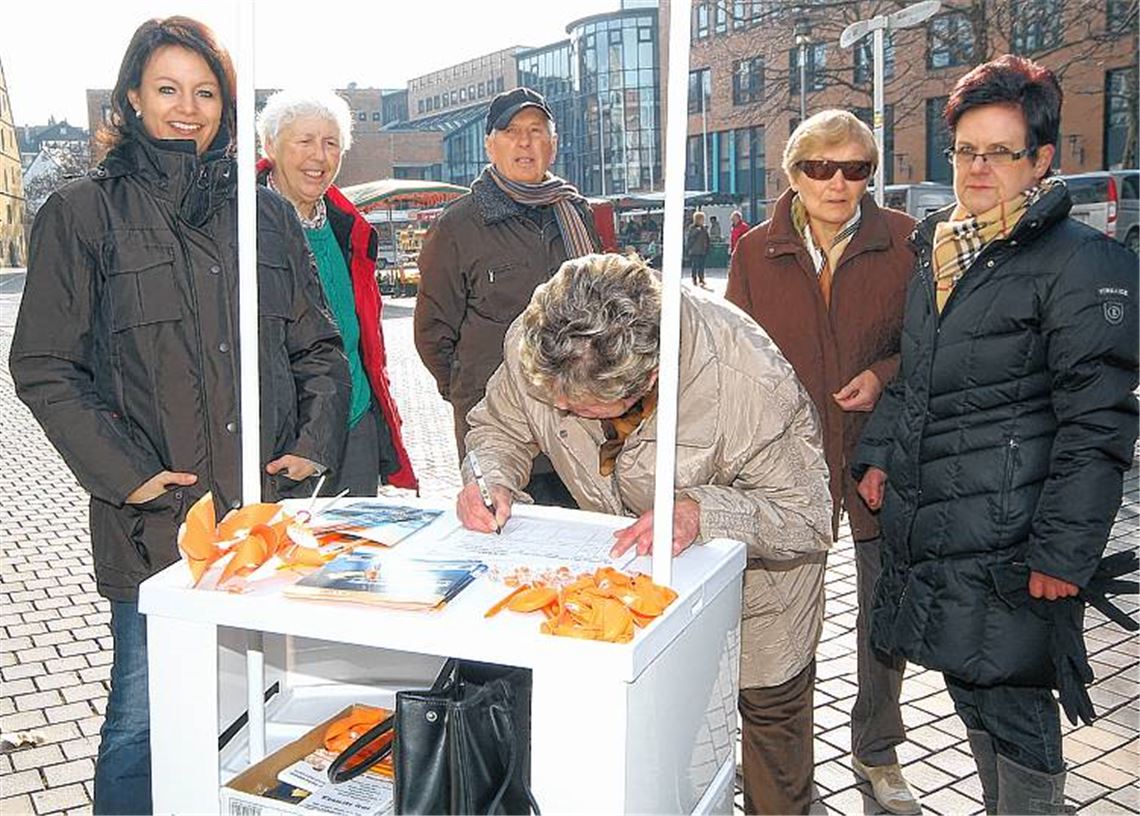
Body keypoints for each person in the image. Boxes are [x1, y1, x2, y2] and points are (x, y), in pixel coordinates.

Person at [8, 17, 350, 814]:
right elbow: (44, 365)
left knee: (255, 716)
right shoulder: (83, 214)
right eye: (168, 89)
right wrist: (129, 479)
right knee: (142, 726)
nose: (188, 108)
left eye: (205, 92)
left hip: (264, 524)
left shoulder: (263, 216)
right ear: (132, 97)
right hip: (159, 526)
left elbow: (321, 350)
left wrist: (310, 441)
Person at [854, 55, 1138, 815]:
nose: (978, 169)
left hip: (1016, 541)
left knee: (1016, 709)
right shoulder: (944, 253)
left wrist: (1063, 554)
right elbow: (917, 373)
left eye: (1000, 152)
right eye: (965, 150)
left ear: (1042, 160)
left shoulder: (1080, 264)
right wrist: (879, 449)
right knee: (968, 688)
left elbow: (1099, 424)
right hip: (941, 525)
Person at [457, 253, 833, 816]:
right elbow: (499, 426)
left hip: (762, 601)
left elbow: (808, 515)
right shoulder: (543, 342)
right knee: (657, 754)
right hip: (635, 599)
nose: (559, 408)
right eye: (556, 399)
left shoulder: (747, 378)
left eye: (577, 405)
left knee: (774, 759)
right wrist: (488, 476)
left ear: (648, 379)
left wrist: (703, 512)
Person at [726, 110, 919, 815]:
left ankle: (878, 749)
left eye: (856, 168)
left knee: (882, 611)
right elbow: (733, 356)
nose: (838, 183)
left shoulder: (904, 240)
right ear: (794, 173)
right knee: (776, 619)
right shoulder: (753, 252)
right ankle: (775, 761)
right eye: (820, 168)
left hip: (878, 453)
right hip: (783, 463)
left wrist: (884, 374)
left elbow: (928, 346)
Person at [415, 86, 600, 507]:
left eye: (536, 131)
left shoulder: (574, 212)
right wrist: (470, 388)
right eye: (512, 131)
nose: (525, 142)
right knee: (505, 538)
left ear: (552, 145)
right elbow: (432, 332)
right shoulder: (459, 225)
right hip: (502, 427)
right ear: (489, 144)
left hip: (581, 423)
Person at [256, 89, 416, 496]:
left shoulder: (349, 228)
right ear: (270, 146)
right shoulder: (240, 227)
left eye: (331, 143)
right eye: (304, 141)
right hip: (286, 436)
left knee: (358, 551)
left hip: (355, 422)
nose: (319, 156)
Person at [684, 210, 711, 288]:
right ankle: (694, 278)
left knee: (702, 265)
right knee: (695, 265)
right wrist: (697, 231)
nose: (703, 221)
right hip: (695, 250)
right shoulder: (692, 228)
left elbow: (707, 238)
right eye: (702, 219)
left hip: (703, 250)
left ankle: (701, 278)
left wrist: (708, 247)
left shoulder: (704, 228)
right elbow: (690, 238)